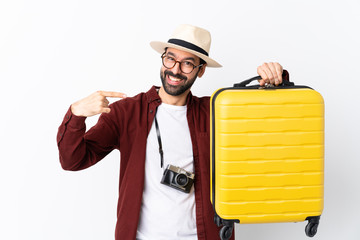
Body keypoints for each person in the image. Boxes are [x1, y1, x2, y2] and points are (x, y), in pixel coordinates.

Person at [57, 24, 288, 240]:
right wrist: (76, 115)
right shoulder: (126, 112)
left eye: (188, 63)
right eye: (170, 59)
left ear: (201, 71)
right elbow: (73, 160)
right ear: (163, 59)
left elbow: (269, 126)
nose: (175, 70)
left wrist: (275, 82)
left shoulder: (217, 112)